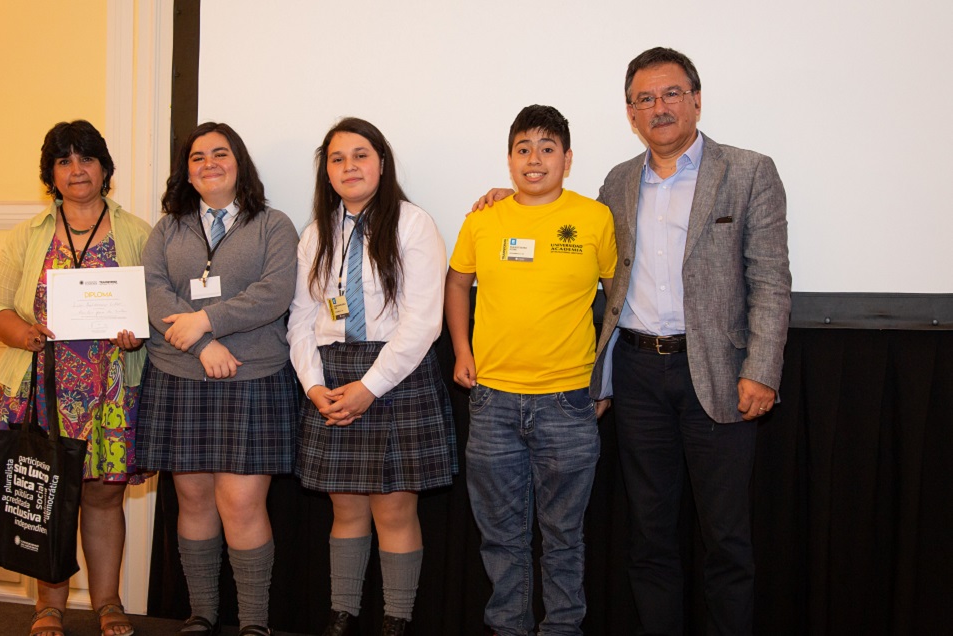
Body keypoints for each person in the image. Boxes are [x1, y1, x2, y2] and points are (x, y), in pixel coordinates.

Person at [475, 48, 792, 635]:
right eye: (645, 99)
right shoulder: (617, 182)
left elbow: (771, 280)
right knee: (649, 533)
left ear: (696, 100)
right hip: (638, 375)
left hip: (718, 374)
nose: (659, 107)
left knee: (726, 537)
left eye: (671, 93)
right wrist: (507, 200)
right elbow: (572, 242)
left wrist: (762, 369)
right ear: (630, 113)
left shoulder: (749, 171)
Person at [447, 105, 616, 636]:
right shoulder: (482, 219)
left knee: (564, 537)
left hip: (568, 401)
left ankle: (562, 628)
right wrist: (461, 350)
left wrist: (605, 377)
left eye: (547, 148)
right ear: (509, 159)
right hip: (492, 401)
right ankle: (509, 629)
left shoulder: (595, 218)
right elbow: (457, 284)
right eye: (523, 149)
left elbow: (618, 298)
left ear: (567, 158)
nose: (535, 159)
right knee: (501, 537)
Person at [288, 117, 457, 636]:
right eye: (337, 159)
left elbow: (424, 322)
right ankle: (342, 616)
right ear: (327, 172)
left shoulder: (412, 223)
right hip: (332, 377)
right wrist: (313, 386)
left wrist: (368, 388)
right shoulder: (316, 233)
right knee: (345, 509)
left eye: (360, 155)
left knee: (394, 511)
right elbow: (301, 320)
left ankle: (395, 622)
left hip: (395, 377)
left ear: (381, 163)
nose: (349, 167)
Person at [0, 120, 152, 636]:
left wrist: (137, 335)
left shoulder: (138, 233)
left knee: (103, 499)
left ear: (104, 168)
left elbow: (154, 310)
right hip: (41, 388)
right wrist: (24, 333)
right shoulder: (27, 235)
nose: (77, 170)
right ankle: (48, 607)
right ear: (51, 174)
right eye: (64, 161)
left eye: (86, 158)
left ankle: (108, 604)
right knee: (45, 495)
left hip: (110, 389)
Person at [137, 122, 299, 636]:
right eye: (197, 157)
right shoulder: (167, 229)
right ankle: (201, 614)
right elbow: (153, 292)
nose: (209, 164)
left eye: (220, 153)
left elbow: (275, 293)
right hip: (179, 374)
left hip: (252, 377)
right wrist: (203, 345)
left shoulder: (274, 225)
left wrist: (207, 321)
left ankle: (254, 623)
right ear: (186, 172)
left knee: (242, 504)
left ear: (239, 163)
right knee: (193, 501)